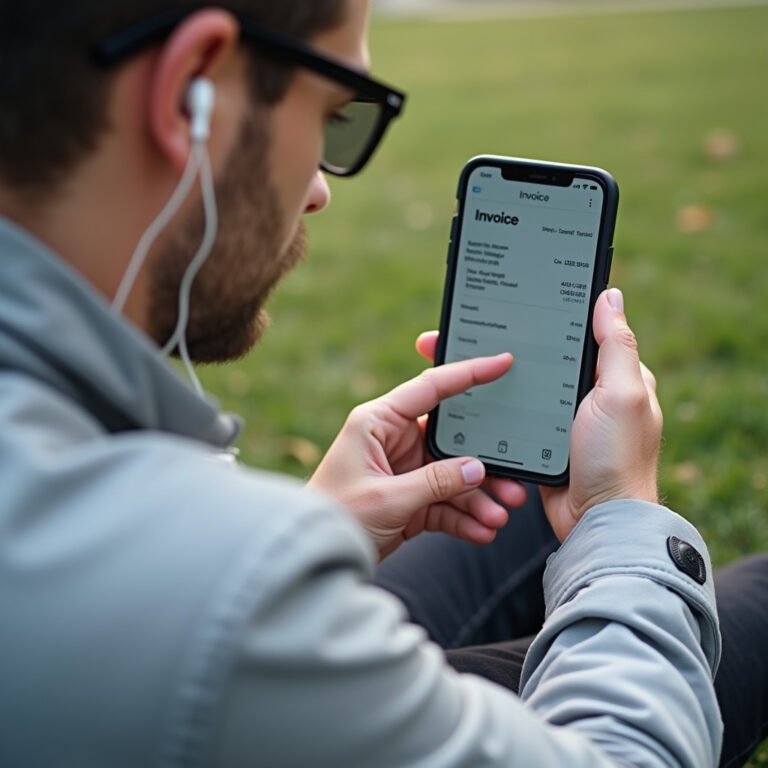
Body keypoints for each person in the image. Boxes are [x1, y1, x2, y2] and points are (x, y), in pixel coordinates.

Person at [0, 0, 763, 765]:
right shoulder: (216, 589)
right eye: (335, 112)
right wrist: (622, 517)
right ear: (189, 91)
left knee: (528, 497)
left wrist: (326, 528)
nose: (319, 193)